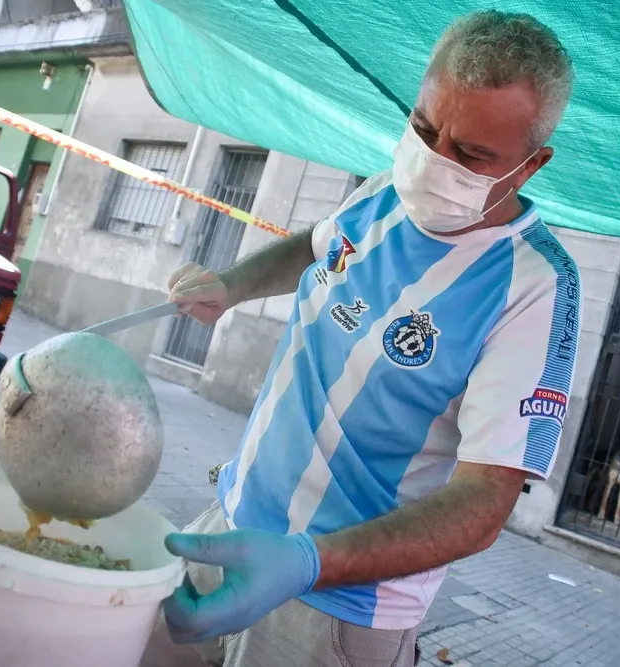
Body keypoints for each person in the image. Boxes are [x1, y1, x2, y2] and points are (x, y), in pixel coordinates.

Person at [143, 10, 581, 667]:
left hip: (338, 611)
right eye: (426, 129)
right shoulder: (385, 191)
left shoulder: (535, 287)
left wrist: (306, 560)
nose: (433, 164)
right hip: (226, 526)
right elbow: (317, 248)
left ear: (529, 165)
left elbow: (483, 504)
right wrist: (230, 285)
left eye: (469, 154)